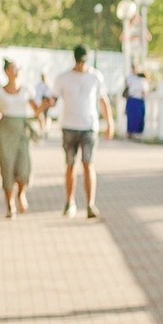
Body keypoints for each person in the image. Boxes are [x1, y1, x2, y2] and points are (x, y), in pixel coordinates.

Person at [53, 43, 112, 218]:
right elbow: (53, 97)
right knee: (70, 165)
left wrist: (109, 123)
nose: (81, 65)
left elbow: (103, 100)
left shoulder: (95, 77)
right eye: (79, 62)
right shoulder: (63, 78)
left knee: (88, 164)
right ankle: (69, 201)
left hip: (89, 127)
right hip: (69, 126)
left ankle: (90, 204)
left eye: (83, 62)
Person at [0, 59, 36, 214]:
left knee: (24, 167)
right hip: (5, 131)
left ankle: (21, 193)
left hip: (22, 131)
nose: (15, 71)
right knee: (7, 166)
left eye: (17, 68)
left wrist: (47, 104)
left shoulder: (26, 90)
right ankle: (10, 203)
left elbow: (36, 110)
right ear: (6, 71)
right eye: (12, 68)